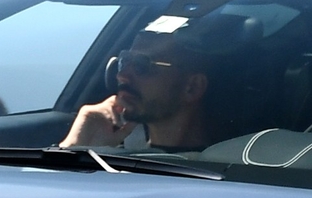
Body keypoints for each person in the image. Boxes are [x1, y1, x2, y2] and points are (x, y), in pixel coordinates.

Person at [62, 20, 222, 153]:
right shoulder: (115, 157)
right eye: (124, 61)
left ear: (192, 87)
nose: (121, 76)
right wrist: (78, 145)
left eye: (142, 65)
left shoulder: (226, 166)